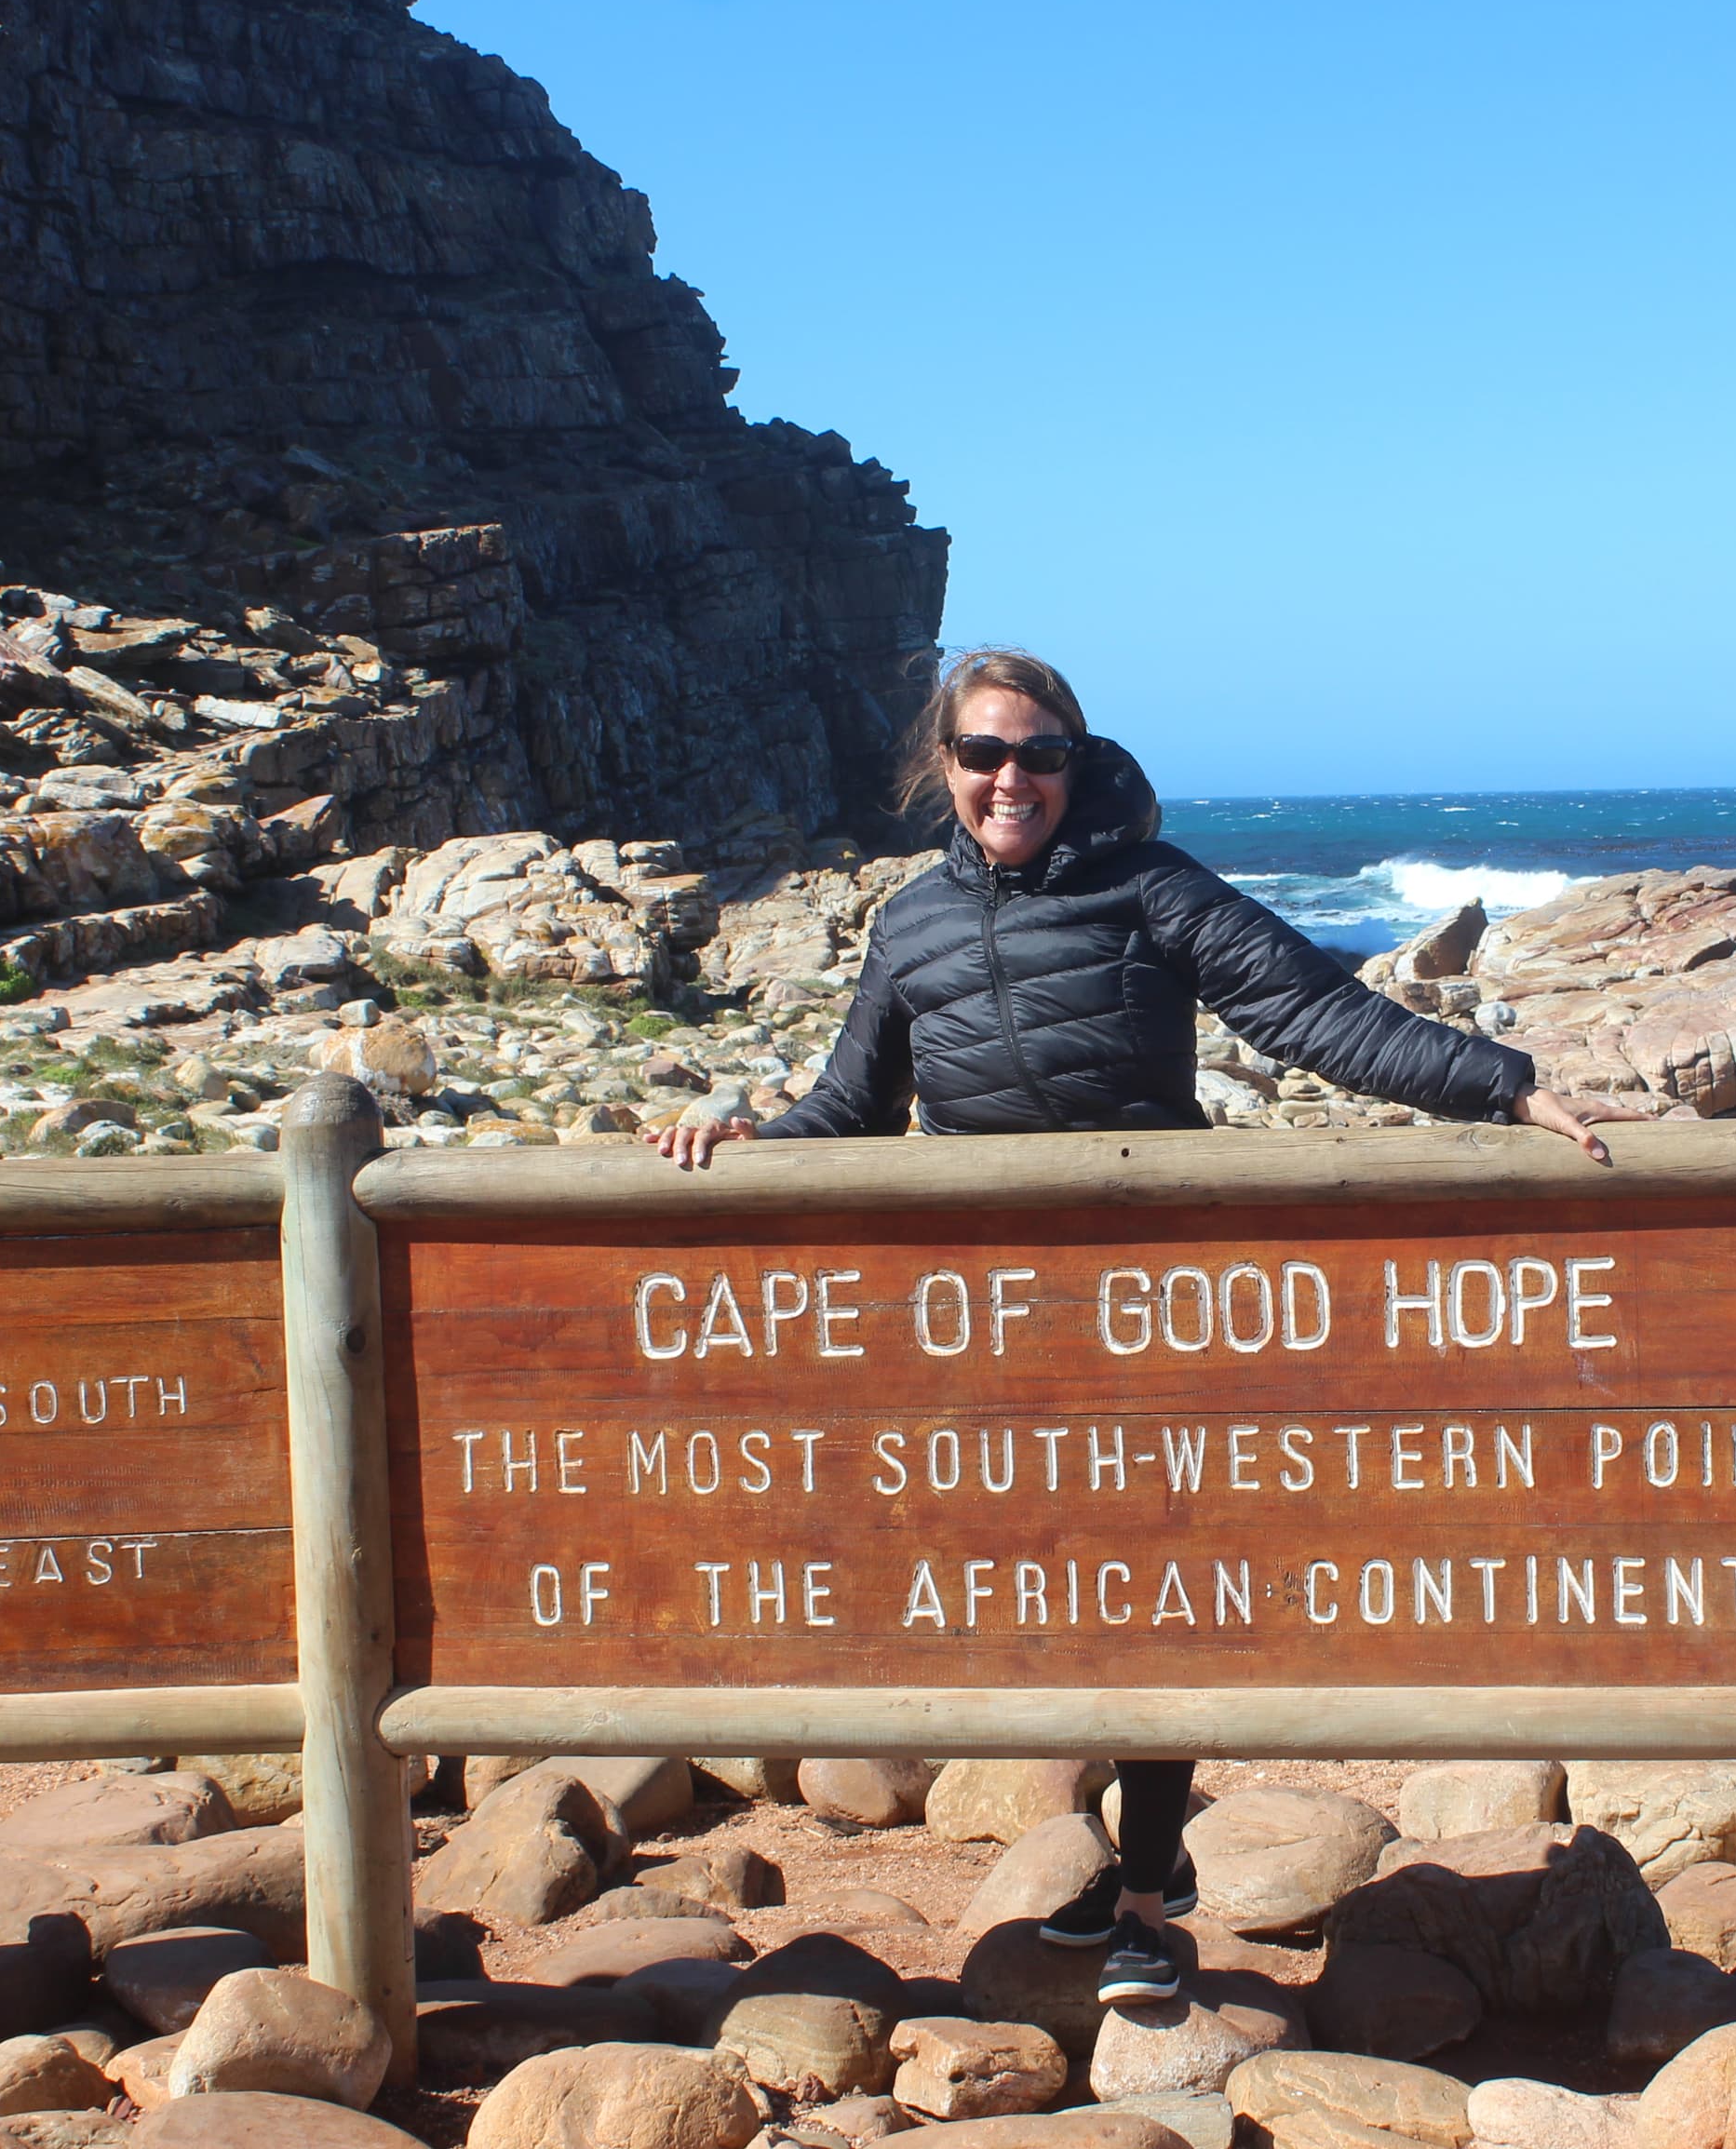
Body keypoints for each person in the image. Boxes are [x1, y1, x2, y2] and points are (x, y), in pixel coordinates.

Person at [650, 647, 1606, 2005]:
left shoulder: (1150, 889)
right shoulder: (913, 925)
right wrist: (734, 1135)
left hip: (1156, 1305)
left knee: (1163, 1595)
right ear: (946, 768)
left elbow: (1310, 1013)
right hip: (985, 1322)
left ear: (1078, 763)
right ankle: (1121, 1859)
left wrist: (1506, 1089)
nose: (1011, 779)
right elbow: (849, 1116)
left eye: (1040, 753)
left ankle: (1147, 1894)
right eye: (983, 753)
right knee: (1036, 1590)